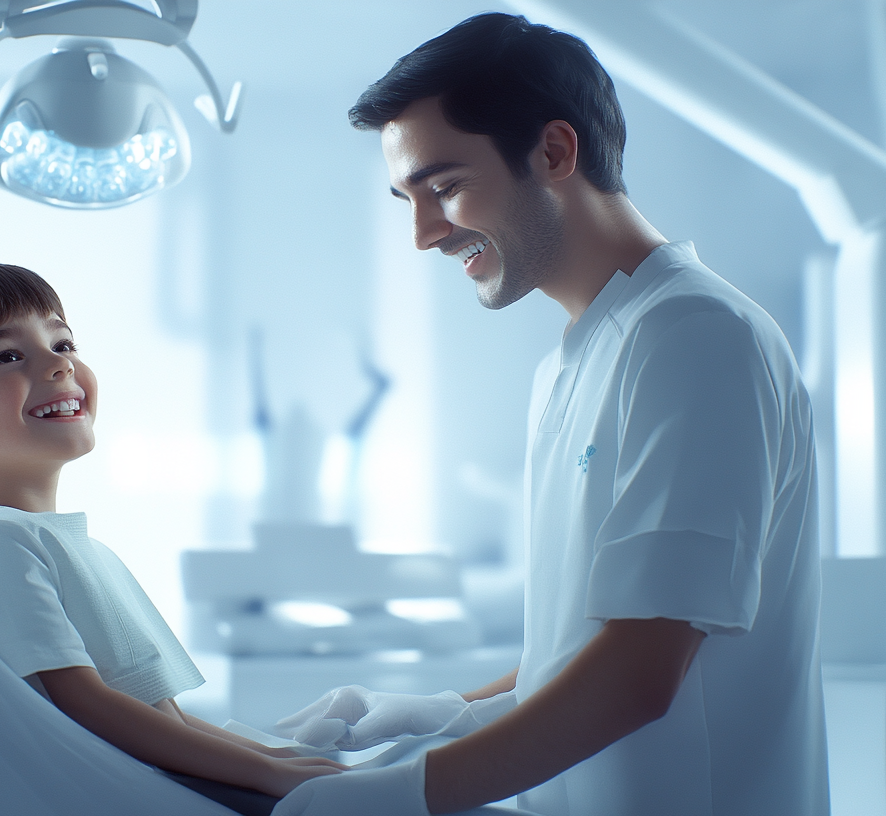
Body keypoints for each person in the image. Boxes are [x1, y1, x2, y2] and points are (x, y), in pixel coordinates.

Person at [273, 13, 827, 816]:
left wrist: (407, 796)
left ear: (555, 153)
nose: (425, 235)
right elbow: (589, 645)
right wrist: (451, 711)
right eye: (408, 200)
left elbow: (638, 673)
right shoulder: (572, 361)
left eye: (446, 187)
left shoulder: (697, 336)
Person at [0, 263, 344, 814]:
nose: (59, 363)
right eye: (8, 356)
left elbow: (166, 718)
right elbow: (85, 705)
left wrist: (277, 760)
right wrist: (266, 772)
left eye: (62, 341)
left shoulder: (43, 542)